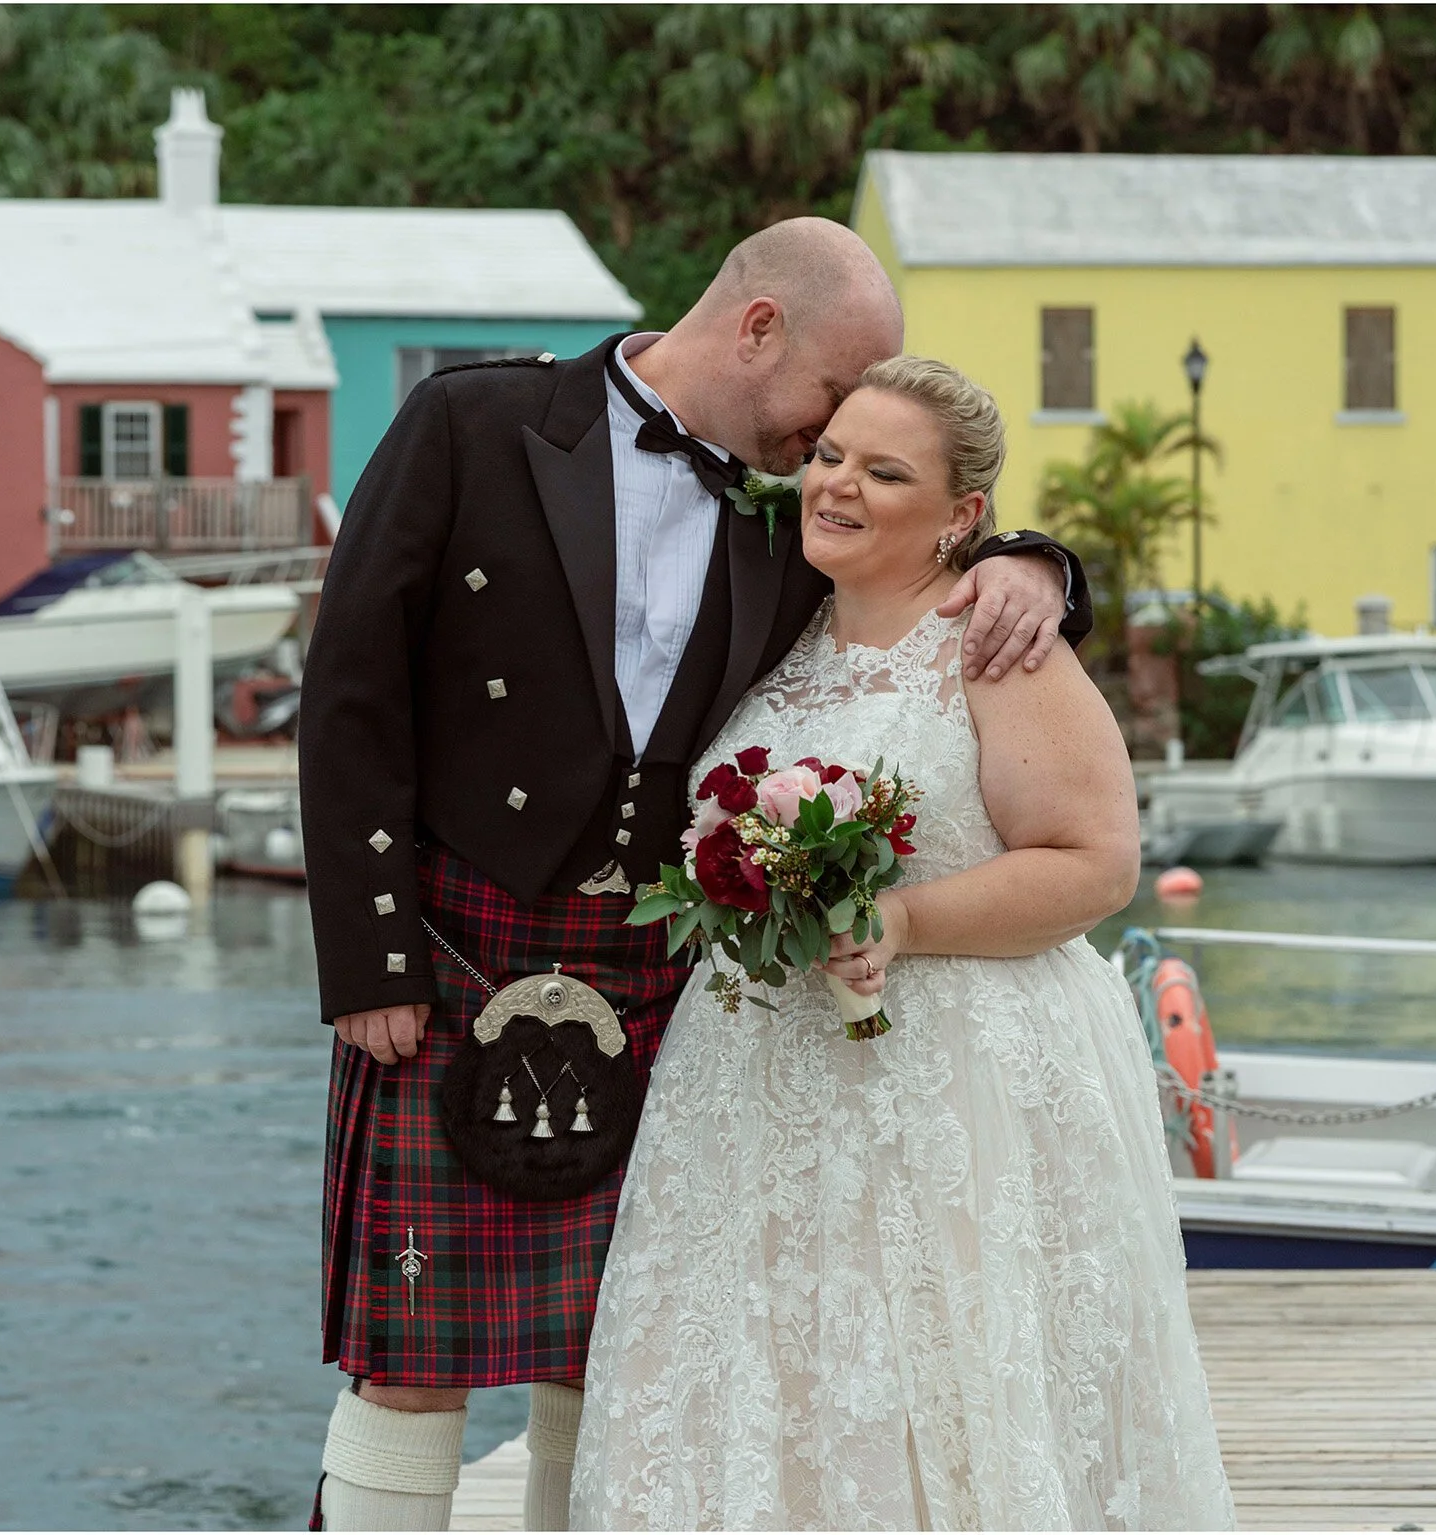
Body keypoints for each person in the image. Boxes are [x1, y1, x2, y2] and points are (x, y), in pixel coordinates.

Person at [298, 221, 1092, 1532]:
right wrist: (365, 957)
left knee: (613, 1340)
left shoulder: (803, 510)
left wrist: (1036, 561)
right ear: (760, 326)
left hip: (658, 965)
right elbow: (351, 692)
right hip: (453, 942)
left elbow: (929, 548)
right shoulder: (475, 424)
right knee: (411, 1343)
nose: (844, 434)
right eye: (836, 394)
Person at [569, 357, 1235, 1530]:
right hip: (759, 1088)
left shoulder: (995, 642)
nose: (837, 486)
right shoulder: (772, 621)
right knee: (774, 1382)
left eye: (885, 472)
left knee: (949, 1378)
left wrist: (906, 916)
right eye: (829, 456)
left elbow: (1094, 863)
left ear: (961, 514)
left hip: (955, 1084)